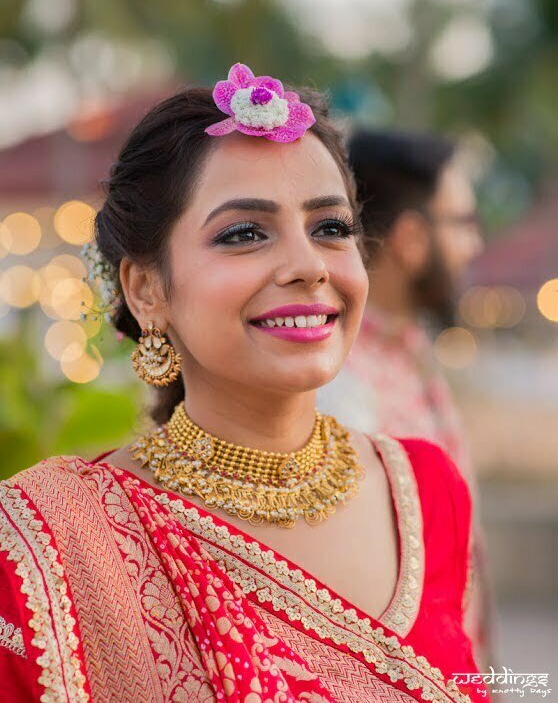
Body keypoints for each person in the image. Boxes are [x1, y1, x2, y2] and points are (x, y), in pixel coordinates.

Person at [0, 65, 489, 701]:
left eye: (331, 228)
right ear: (147, 289)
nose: (308, 266)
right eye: (244, 233)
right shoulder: (52, 547)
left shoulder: (426, 494)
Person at [317, 127, 498, 675]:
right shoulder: (338, 380)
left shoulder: (407, 351)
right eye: (464, 223)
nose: (475, 244)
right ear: (412, 238)